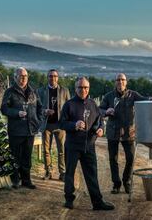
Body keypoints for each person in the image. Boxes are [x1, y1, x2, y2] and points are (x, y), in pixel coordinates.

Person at [60, 77, 115, 211]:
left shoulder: (92, 104)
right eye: (80, 87)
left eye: (86, 88)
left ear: (88, 89)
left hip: (89, 146)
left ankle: (97, 202)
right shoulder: (69, 105)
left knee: (92, 175)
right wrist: (74, 125)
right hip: (72, 146)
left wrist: (101, 128)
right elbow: (61, 123)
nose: (83, 90)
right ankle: (69, 199)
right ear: (75, 89)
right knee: (70, 174)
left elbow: (100, 120)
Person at [99, 73, 150, 194]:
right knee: (113, 159)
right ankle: (116, 184)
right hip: (113, 131)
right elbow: (99, 110)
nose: (120, 82)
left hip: (129, 132)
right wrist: (106, 111)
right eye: (118, 80)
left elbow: (144, 101)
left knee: (131, 158)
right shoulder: (108, 96)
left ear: (126, 82)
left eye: (122, 80)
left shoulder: (133, 95)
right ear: (115, 82)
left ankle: (126, 181)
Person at [1, 67, 44, 189]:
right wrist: (16, 113)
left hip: (30, 130)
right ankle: (15, 180)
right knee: (15, 156)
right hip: (16, 130)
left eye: (25, 76)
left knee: (27, 156)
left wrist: (38, 121)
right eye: (20, 76)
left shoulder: (33, 92)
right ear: (15, 78)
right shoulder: (10, 91)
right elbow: (4, 109)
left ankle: (26, 180)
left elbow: (40, 107)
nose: (23, 78)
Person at [37, 69, 70, 181]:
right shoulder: (41, 91)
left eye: (55, 76)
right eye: (50, 76)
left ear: (58, 78)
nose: (53, 78)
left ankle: (62, 173)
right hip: (46, 125)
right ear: (47, 78)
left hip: (60, 125)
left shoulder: (64, 91)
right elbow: (37, 108)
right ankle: (48, 171)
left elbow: (69, 108)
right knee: (46, 150)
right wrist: (44, 111)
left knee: (61, 150)